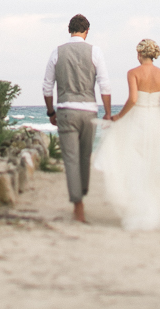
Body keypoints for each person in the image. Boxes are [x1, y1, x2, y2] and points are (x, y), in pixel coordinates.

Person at [93, 39, 160, 230]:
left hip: (138, 118)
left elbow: (133, 99)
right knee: (152, 165)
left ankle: (139, 209)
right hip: (156, 119)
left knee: (135, 163)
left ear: (140, 54)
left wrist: (119, 116)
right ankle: (152, 209)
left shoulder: (133, 73)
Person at [42, 14, 112, 224]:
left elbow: (47, 87)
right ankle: (81, 193)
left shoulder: (57, 52)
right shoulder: (95, 52)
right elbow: (104, 85)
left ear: (69, 29)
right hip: (89, 111)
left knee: (71, 159)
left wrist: (50, 112)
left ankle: (78, 204)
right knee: (84, 156)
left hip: (65, 109)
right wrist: (107, 113)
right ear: (86, 31)